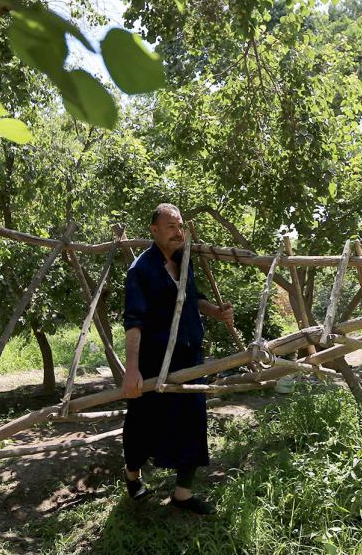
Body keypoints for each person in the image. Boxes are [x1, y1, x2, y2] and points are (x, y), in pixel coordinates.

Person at [120, 203, 234, 515]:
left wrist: (216, 311)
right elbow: (134, 322)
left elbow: (195, 299)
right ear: (154, 230)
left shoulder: (185, 262)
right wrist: (132, 370)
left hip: (189, 357)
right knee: (142, 424)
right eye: (171, 226)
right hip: (154, 363)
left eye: (180, 226)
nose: (178, 232)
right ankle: (132, 473)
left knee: (193, 420)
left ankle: (183, 494)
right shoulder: (140, 271)